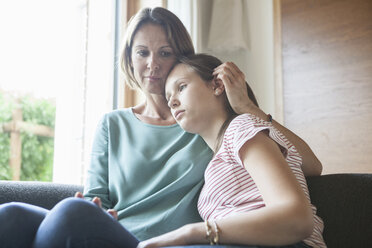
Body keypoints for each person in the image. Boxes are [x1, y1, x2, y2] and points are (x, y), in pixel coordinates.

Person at [0, 7, 322, 248]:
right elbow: (98, 201)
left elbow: (306, 164)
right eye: (142, 52)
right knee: (11, 216)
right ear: (129, 57)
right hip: (113, 234)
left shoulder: (205, 125)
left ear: (183, 58)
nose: (152, 64)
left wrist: (247, 107)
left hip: (166, 242)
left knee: (68, 216)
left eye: (165, 53)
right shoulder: (113, 125)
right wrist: (97, 210)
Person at [137, 54, 326, 248]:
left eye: (181, 87)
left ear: (217, 85)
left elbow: (297, 218)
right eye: (168, 97)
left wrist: (190, 232)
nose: (172, 102)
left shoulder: (241, 128)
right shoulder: (220, 157)